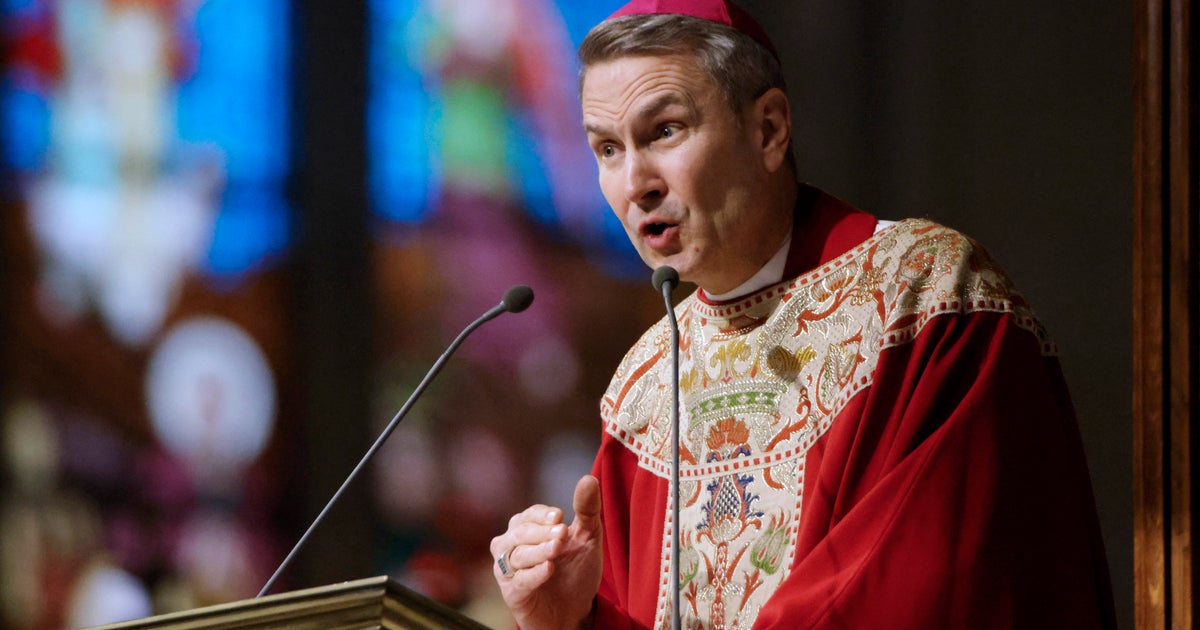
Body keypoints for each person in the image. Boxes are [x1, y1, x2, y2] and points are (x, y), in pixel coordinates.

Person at [489, 1, 1117, 628]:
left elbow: (915, 594)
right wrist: (572, 620)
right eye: (606, 149)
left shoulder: (926, 300)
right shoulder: (644, 390)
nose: (636, 183)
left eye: (665, 131)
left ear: (768, 130)